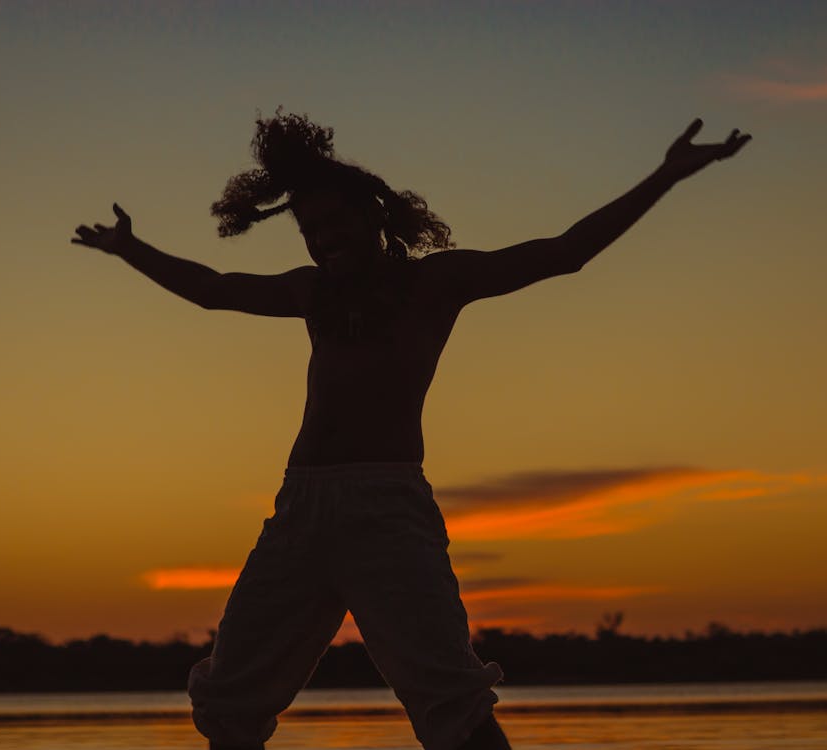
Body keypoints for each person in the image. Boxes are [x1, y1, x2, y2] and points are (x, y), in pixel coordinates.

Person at [71, 110, 750, 750]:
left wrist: (665, 175)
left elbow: (564, 252)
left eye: (334, 221)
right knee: (231, 697)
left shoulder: (436, 282)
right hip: (299, 510)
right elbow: (213, 288)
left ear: (373, 216)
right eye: (308, 228)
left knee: (448, 698)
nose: (321, 237)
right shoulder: (311, 293)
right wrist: (131, 250)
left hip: (387, 511)